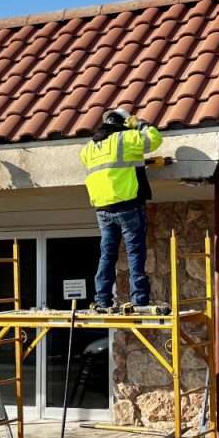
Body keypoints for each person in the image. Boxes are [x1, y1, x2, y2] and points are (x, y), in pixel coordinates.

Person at [79, 107, 164, 313]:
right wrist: (138, 123)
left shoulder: (88, 149)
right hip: (127, 205)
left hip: (102, 208)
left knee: (107, 254)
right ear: (122, 124)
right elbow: (154, 139)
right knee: (135, 252)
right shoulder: (125, 138)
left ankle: (102, 299)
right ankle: (139, 299)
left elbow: (111, 167)